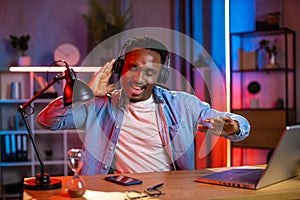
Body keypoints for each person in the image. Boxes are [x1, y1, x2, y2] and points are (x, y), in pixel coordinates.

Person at [37, 36, 250, 175]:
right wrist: (87, 93)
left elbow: (238, 125)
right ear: (120, 67)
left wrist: (234, 126)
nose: (138, 78)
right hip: (118, 192)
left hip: (170, 193)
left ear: (162, 73)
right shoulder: (100, 105)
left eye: (149, 71)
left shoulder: (183, 105)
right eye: (133, 67)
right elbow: (47, 121)